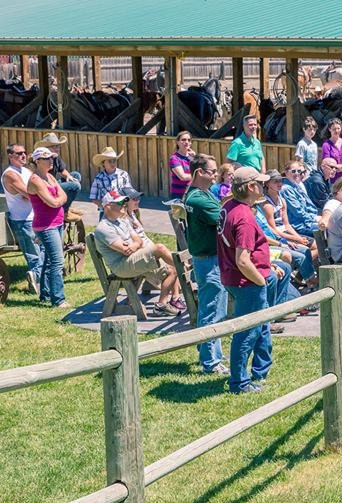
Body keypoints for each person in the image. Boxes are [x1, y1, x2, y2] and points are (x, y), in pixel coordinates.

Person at [217, 167, 290, 394]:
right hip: (246, 281)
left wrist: (267, 269)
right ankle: (239, 382)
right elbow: (243, 260)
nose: (263, 187)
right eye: (259, 183)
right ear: (250, 187)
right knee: (247, 332)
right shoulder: (245, 217)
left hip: (236, 278)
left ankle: (260, 370)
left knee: (260, 326)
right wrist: (260, 279)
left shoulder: (228, 207)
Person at [93, 190, 184, 316]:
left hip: (132, 259)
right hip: (121, 266)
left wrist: (134, 244)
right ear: (107, 206)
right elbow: (125, 250)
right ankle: (185, 268)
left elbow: (138, 241)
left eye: (124, 201)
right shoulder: (104, 228)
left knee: (172, 270)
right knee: (160, 248)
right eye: (119, 202)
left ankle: (161, 306)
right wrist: (134, 244)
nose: (123, 205)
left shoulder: (122, 221)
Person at [184, 154, 230, 375]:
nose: (215, 176)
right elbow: (225, 218)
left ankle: (208, 350)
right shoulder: (198, 199)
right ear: (199, 173)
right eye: (211, 171)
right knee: (213, 311)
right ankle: (211, 361)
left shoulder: (201, 194)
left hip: (208, 259)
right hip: (209, 261)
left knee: (210, 308)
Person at [26, 147, 70, 308]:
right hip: (45, 226)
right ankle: (58, 300)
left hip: (56, 223)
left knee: (49, 261)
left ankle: (45, 293)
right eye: (47, 159)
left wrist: (57, 200)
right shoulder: (35, 180)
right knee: (57, 262)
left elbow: (63, 196)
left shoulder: (50, 176)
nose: (51, 161)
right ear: (37, 161)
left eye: (52, 158)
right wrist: (57, 200)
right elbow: (52, 202)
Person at [260, 171, 317, 285]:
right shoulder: (267, 204)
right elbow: (273, 229)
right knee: (304, 249)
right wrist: (295, 239)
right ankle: (309, 279)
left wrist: (297, 237)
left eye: (280, 180)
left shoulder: (282, 200)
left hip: (286, 232)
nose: (279, 183)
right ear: (267, 183)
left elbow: (287, 225)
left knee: (316, 245)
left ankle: (300, 274)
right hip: (278, 236)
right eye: (275, 181)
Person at [1, 143, 42, 294]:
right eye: (18, 153)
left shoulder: (25, 171)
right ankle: (36, 279)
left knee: (43, 248)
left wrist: (33, 194)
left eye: (24, 152)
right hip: (22, 220)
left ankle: (38, 277)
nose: (23, 155)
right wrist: (32, 194)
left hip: (35, 216)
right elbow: (30, 194)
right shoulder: (10, 174)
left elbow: (37, 190)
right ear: (10, 156)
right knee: (33, 253)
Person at [33, 133, 83, 220]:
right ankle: (65, 211)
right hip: (47, 187)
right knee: (75, 186)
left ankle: (66, 206)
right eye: (54, 147)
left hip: (54, 183)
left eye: (58, 146)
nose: (57, 149)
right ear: (46, 149)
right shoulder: (41, 160)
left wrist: (68, 176)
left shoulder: (56, 157)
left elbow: (62, 170)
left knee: (75, 175)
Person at [280, 160, 322, 238]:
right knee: (329, 229)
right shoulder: (286, 189)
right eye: (293, 171)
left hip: (307, 221)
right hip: (299, 225)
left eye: (299, 171)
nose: (297, 173)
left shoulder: (296, 185)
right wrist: (314, 219)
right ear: (286, 172)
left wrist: (316, 217)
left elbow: (309, 205)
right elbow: (298, 212)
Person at [89, 147, 132, 217]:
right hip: (106, 212)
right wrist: (105, 205)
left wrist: (124, 204)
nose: (113, 163)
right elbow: (93, 198)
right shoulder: (98, 179)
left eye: (114, 161)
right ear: (103, 163)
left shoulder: (123, 175)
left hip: (123, 210)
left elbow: (129, 193)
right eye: (109, 161)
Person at [168, 131, 194, 199]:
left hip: (192, 193)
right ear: (177, 142)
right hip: (179, 195)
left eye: (189, 140)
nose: (187, 142)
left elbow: (201, 170)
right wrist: (198, 176)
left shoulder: (193, 157)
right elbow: (183, 177)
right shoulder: (174, 158)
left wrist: (195, 158)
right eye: (183, 140)